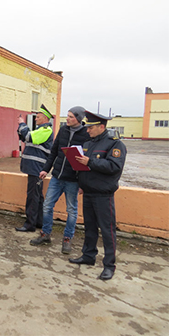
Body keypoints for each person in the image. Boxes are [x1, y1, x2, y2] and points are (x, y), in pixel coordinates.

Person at [68, 111, 126, 280]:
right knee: (90, 228)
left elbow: (114, 166)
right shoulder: (88, 144)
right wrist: (81, 183)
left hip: (103, 195)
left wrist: (90, 162)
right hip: (88, 192)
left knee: (107, 232)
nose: (88, 131)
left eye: (91, 128)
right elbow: (84, 166)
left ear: (101, 127)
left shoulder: (114, 145)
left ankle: (109, 265)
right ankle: (88, 255)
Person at [30, 106, 90, 254]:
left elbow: (87, 161)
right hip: (57, 177)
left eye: (70, 117)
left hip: (73, 180)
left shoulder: (86, 134)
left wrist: (83, 183)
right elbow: (54, 152)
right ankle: (45, 234)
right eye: (67, 116)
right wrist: (46, 169)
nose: (67, 119)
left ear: (78, 119)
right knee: (47, 206)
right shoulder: (63, 130)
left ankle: (67, 239)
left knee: (72, 210)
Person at [15, 104, 54, 232]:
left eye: (38, 117)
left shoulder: (46, 130)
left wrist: (22, 124)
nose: (35, 119)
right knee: (37, 196)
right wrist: (21, 129)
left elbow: (28, 137)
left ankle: (30, 224)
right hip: (34, 168)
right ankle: (39, 222)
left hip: (36, 168)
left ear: (45, 118)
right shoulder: (40, 130)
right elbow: (24, 137)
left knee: (33, 197)